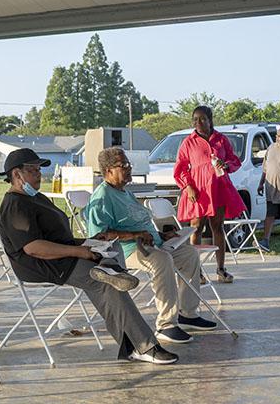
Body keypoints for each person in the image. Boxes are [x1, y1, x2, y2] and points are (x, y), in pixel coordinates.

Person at [0, 148, 179, 364]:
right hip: (46, 264)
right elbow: (33, 248)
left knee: (110, 247)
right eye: (33, 170)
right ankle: (143, 345)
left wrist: (88, 242)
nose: (39, 174)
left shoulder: (36, 198)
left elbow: (57, 237)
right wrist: (79, 250)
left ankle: (111, 271)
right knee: (106, 284)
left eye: (39, 169)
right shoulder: (15, 205)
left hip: (64, 254)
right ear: (16, 174)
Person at [86, 147, 216, 345]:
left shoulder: (125, 192)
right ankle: (166, 324)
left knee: (188, 252)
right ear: (108, 171)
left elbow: (140, 223)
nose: (129, 168)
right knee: (161, 260)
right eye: (123, 165)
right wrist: (136, 235)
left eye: (129, 164)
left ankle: (188, 314)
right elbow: (100, 236)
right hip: (126, 250)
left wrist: (163, 235)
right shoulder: (102, 197)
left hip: (151, 243)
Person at [173, 105, 246, 283]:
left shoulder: (221, 139)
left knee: (218, 227)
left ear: (210, 120)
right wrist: (187, 186)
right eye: (195, 119)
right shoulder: (188, 142)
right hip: (197, 190)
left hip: (218, 187)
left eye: (202, 119)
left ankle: (221, 269)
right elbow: (180, 169)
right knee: (196, 228)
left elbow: (234, 160)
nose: (198, 123)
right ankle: (195, 271)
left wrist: (226, 165)